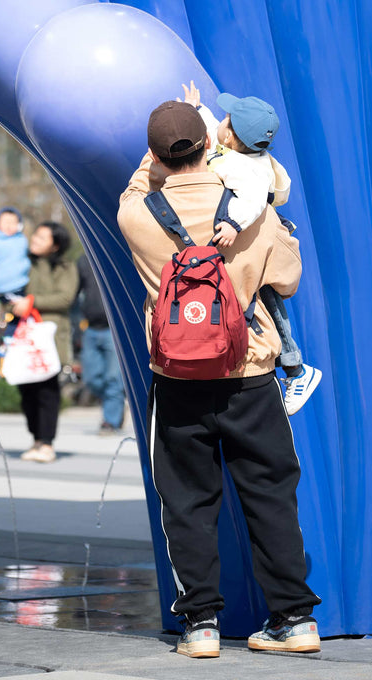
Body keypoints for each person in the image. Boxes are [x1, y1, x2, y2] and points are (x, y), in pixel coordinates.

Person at [117, 100, 321, 658]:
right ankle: (294, 619)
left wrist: (168, 147)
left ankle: (201, 626)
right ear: (210, 146)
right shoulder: (254, 210)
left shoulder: (137, 213)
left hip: (178, 377)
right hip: (251, 374)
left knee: (185, 501)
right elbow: (289, 278)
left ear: (157, 154)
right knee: (271, 494)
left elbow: (140, 182)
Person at [180, 81, 321, 414]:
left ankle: (295, 367)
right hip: (253, 230)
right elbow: (216, 132)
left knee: (268, 299)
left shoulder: (248, 169)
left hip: (256, 231)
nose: (221, 121)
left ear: (232, 138)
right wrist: (196, 110)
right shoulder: (240, 150)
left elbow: (255, 199)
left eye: (226, 119)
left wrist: (233, 224)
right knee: (258, 296)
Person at [10, 221, 78, 463]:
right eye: (35, 235)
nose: (35, 240)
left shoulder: (65, 266)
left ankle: (47, 443)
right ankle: (36, 439)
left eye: (42, 237)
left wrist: (32, 301)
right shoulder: (22, 262)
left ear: (55, 244)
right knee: (26, 389)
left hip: (50, 338)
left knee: (47, 391)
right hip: (23, 336)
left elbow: (65, 297)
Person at [74, 254, 126, 434]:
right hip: (90, 328)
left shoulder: (118, 255)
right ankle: (116, 407)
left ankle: (110, 420)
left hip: (114, 330)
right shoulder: (84, 259)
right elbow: (74, 293)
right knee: (92, 379)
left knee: (113, 378)